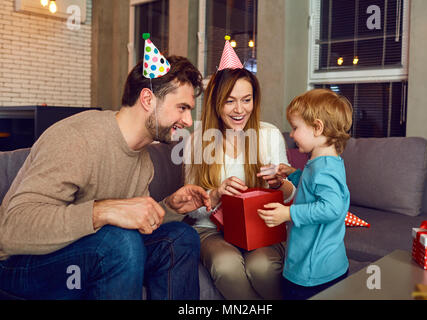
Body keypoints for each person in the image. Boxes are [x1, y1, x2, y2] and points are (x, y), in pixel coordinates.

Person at [0, 50, 211, 300]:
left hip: (92, 251)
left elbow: (132, 225)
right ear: (148, 99)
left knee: (181, 238)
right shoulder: (78, 139)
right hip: (21, 265)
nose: (188, 120)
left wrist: (170, 208)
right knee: (119, 242)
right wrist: (103, 211)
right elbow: (10, 230)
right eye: (182, 108)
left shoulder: (143, 158)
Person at [183, 38, 296, 300]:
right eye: (229, 101)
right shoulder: (195, 142)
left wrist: (280, 185)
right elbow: (194, 210)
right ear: (216, 102)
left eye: (246, 100)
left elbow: (289, 200)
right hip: (210, 230)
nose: (239, 110)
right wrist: (216, 194)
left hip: (261, 226)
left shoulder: (268, 135)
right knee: (227, 266)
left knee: (262, 267)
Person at [257, 88, 353, 300]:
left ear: (317, 128)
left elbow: (332, 208)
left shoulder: (324, 168)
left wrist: (288, 214)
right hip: (318, 266)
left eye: (295, 127)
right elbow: (313, 189)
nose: (291, 134)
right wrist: (292, 174)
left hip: (314, 273)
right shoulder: (323, 163)